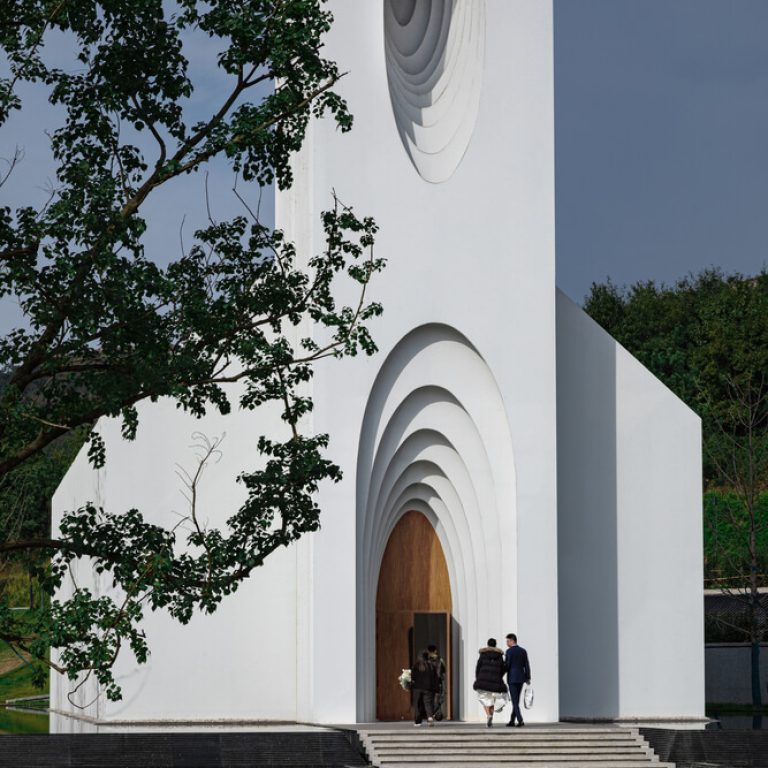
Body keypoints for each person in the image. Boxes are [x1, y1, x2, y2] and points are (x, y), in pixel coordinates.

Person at [473, 638, 508, 727]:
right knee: (492, 701)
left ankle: (488, 715)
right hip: (495, 681)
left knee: (484, 700)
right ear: (495, 645)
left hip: (483, 680)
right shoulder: (499, 655)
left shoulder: (483, 654)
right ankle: (491, 716)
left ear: (488, 644)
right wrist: (499, 676)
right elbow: (502, 668)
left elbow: (478, 667)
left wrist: (478, 677)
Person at [504, 632, 531, 727]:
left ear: (512, 641)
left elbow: (507, 665)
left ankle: (520, 720)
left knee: (515, 701)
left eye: (507, 641)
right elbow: (526, 665)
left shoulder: (509, 652)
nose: (507, 643)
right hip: (521, 678)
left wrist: (501, 673)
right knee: (516, 700)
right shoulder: (523, 651)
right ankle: (512, 720)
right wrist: (528, 677)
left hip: (512, 678)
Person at [410, 649, 439, 726]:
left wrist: (410, 686)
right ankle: (430, 718)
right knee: (428, 704)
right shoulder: (431, 666)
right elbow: (435, 678)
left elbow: (412, 677)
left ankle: (418, 721)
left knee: (417, 704)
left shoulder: (416, 666)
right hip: (428, 688)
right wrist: (436, 689)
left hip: (417, 688)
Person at [427, 644, 446, 720]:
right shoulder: (440, 660)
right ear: (435, 650)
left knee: (428, 699)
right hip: (438, 682)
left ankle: (430, 714)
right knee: (438, 698)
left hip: (428, 683)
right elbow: (444, 670)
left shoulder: (426, 660)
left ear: (428, 651)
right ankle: (436, 713)